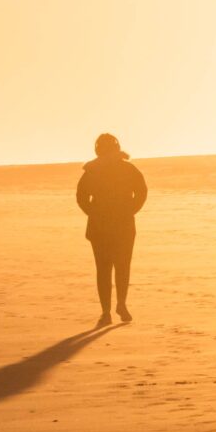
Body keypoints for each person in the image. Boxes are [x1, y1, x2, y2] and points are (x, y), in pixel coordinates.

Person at [75, 132, 147, 324]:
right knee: (122, 267)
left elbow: (81, 198)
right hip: (123, 226)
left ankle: (106, 312)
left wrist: (94, 213)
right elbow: (142, 192)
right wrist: (130, 209)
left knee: (103, 269)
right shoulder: (128, 169)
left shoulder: (92, 171)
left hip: (100, 228)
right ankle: (121, 304)